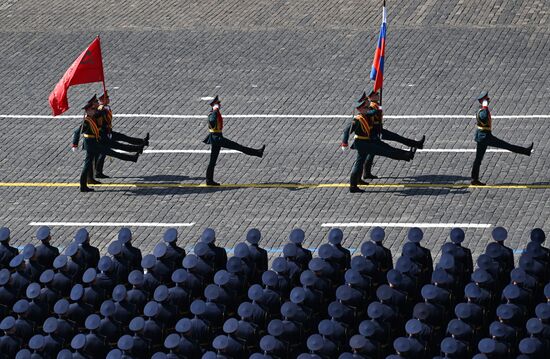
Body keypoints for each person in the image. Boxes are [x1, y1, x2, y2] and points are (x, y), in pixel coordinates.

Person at [341, 91, 415, 193]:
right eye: (365, 107)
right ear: (360, 109)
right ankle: (407, 155)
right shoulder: (357, 120)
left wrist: (379, 108)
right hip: (362, 143)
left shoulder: (365, 114)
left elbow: (373, 112)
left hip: (366, 142)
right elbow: (346, 131)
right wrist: (344, 143)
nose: (367, 108)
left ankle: (356, 182)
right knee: (384, 151)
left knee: (360, 162)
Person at [72, 96, 140, 192]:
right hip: (91, 144)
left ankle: (85, 184)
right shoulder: (87, 121)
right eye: (92, 109)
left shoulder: (92, 117)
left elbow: (100, 118)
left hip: (94, 143)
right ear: (88, 111)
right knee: (110, 153)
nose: (94, 110)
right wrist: (75, 144)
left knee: (88, 164)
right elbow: (76, 132)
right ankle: (133, 158)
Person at [471, 91, 533, 185]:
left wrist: (485, 107)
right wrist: (485, 107)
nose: (488, 100)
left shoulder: (481, 109)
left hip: (483, 136)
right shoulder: (482, 111)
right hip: (485, 137)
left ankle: (474, 179)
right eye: (487, 99)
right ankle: (526, 151)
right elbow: (483, 118)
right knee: (507, 146)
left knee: (478, 159)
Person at [362, 91, 425, 179]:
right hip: (376, 131)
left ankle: (416, 144)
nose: (378, 95)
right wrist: (377, 111)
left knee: (373, 152)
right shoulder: (372, 106)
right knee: (376, 150)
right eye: (376, 94)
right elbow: (371, 115)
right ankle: (413, 148)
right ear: (371, 97)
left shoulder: (375, 104)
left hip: (379, 129)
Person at [203, 96, 265, 185]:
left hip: (216, 137)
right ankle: (258, 152)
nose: (220, 105)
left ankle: (209, 180)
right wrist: (215, 110)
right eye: (218, 104)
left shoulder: (214, 112)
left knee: (213, 160)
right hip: (217, 138)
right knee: (238, 147)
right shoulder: (213, 113)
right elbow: (212, 121)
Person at [95, 92, 149, 178]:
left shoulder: (106, 107)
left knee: (123, 139)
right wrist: (102, 112)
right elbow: (100, 122)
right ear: (101, 100)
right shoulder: (101, 109)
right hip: (104, 134)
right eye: (106, 97)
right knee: (111, 151)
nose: (108, 98)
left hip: (108, 132)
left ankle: (141, 143)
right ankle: (98, 172)